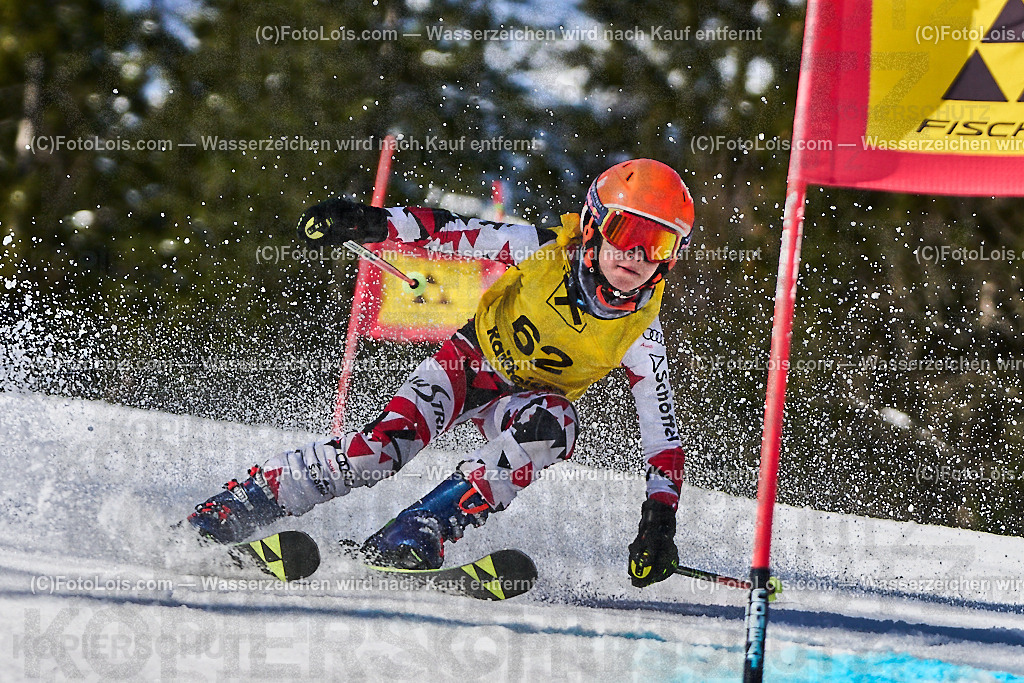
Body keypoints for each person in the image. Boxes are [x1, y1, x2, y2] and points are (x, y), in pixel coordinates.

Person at [187, 158, 693, 588]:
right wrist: (371, 223)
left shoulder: (641, 334)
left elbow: (663, 440)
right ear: (592, 224)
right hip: (468, 364)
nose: (637, 255)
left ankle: (413, 535)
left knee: (554, 426)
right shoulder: (541, 250)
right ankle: (232, 510)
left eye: (660, 244)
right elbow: (450, 232)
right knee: (376, 455)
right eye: (627, 233)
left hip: (525, 404)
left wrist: (658, 522)